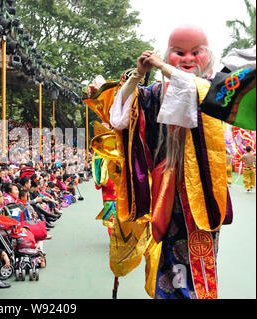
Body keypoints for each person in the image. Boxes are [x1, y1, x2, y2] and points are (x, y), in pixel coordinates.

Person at [97, 24, 232, 299]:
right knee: (169, 258)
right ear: (169, 54)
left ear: (209, 55)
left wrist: (161, 64)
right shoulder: (157, 93)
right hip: (168, 192)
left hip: (203, 192)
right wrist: (139, 75)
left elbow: (193, 90)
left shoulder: (215, 88)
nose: (187, 59)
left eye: (196, 52)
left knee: (201, 257)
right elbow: (119, 117)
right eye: (179, 52)